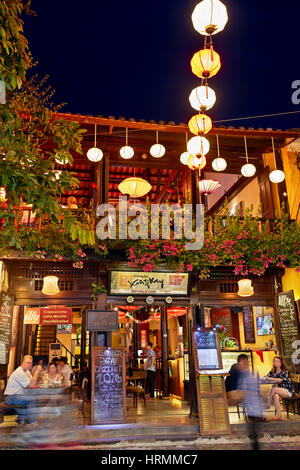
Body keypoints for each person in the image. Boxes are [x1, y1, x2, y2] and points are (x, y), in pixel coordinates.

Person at [4, 355, 42, 425]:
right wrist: (37, 372)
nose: (29, 365)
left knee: (36, 397)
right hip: (11, 397)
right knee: (31, 399)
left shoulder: (26, 371)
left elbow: (32, 382)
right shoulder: (19, 372)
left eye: (31, 363)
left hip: (18, 395)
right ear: (22, 363)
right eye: (27, 363)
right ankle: (33, 422)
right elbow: (32, 384)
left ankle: (21, 418)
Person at [264, 356, 295, 421]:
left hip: (288, 391)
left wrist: (269, 378)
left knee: (274, 389)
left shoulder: (284, 371)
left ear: (281, 363)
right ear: (273, 363)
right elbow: (266, 377)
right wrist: (265, 377)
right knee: (275, 396)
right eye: (275, 361)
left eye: (278, 361)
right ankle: (279, 415)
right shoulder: (273, 371)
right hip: (280, 391)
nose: (277, 363)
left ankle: (268, 404)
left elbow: (280, 380)